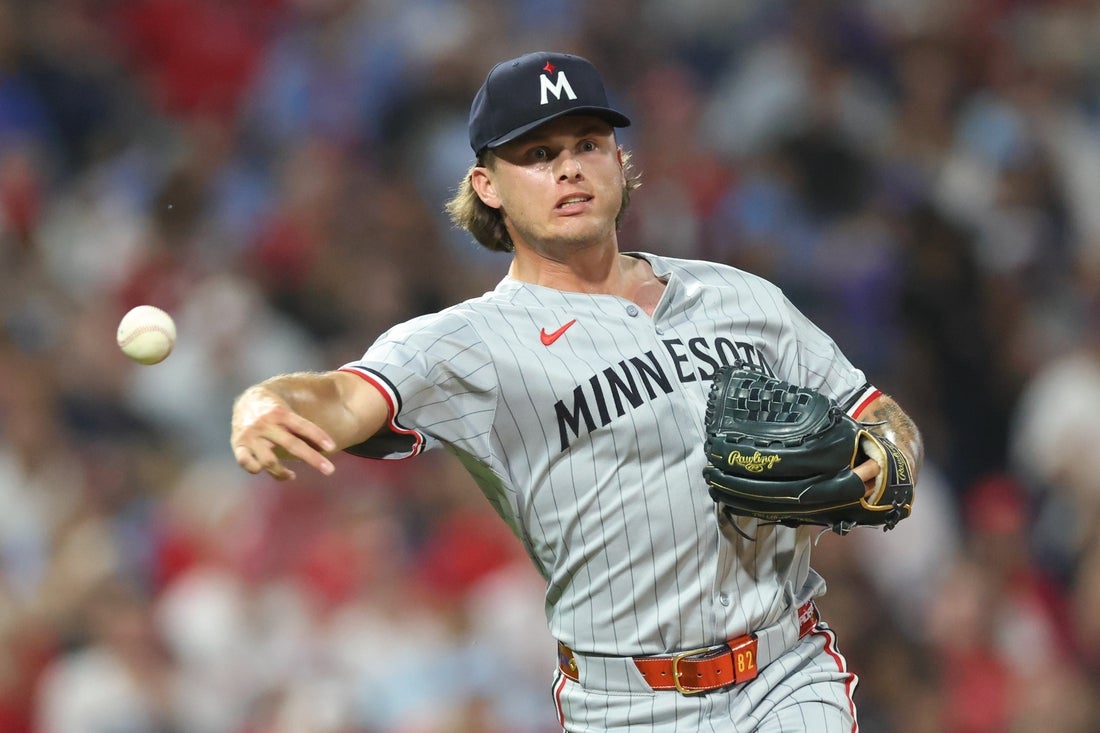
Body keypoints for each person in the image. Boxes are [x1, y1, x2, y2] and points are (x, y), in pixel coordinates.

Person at [230, 50, 924, 732]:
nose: (569, 168)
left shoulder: (739, 296)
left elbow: (876, 413)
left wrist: (889, 458)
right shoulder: (470, 341)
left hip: (787, 673)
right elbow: (344, 397)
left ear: (620, 161)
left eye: (587, 144)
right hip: (627, 706)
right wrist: (265, 403)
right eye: (537, 154)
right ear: (487, 186)